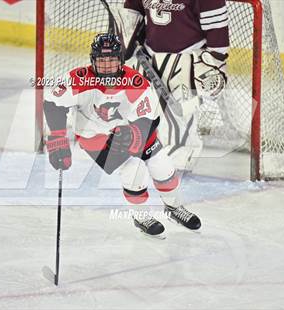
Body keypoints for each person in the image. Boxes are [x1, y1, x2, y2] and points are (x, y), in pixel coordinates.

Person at [44, 33, 201, 238]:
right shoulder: (78, 79)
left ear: (121, 61)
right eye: (102, 61)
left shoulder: (134, 81)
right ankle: (141, 216)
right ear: (93, 61)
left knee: (162, 166)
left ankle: (174, 208)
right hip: (95, 136)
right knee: (133, 169)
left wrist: (135, 134)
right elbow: (53, 104)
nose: (107, 67)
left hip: (131, 129)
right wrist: (57, 137)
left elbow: (150, 118)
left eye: (112, 61)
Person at [119, 0, 230, 169]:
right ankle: (144, 148)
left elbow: (218, 38)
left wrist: (215, 68)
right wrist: (127, 39)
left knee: (180, 120)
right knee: (142, 110)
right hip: (149, 58)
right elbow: (132, 12)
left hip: (187, 63)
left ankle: (181, 153)